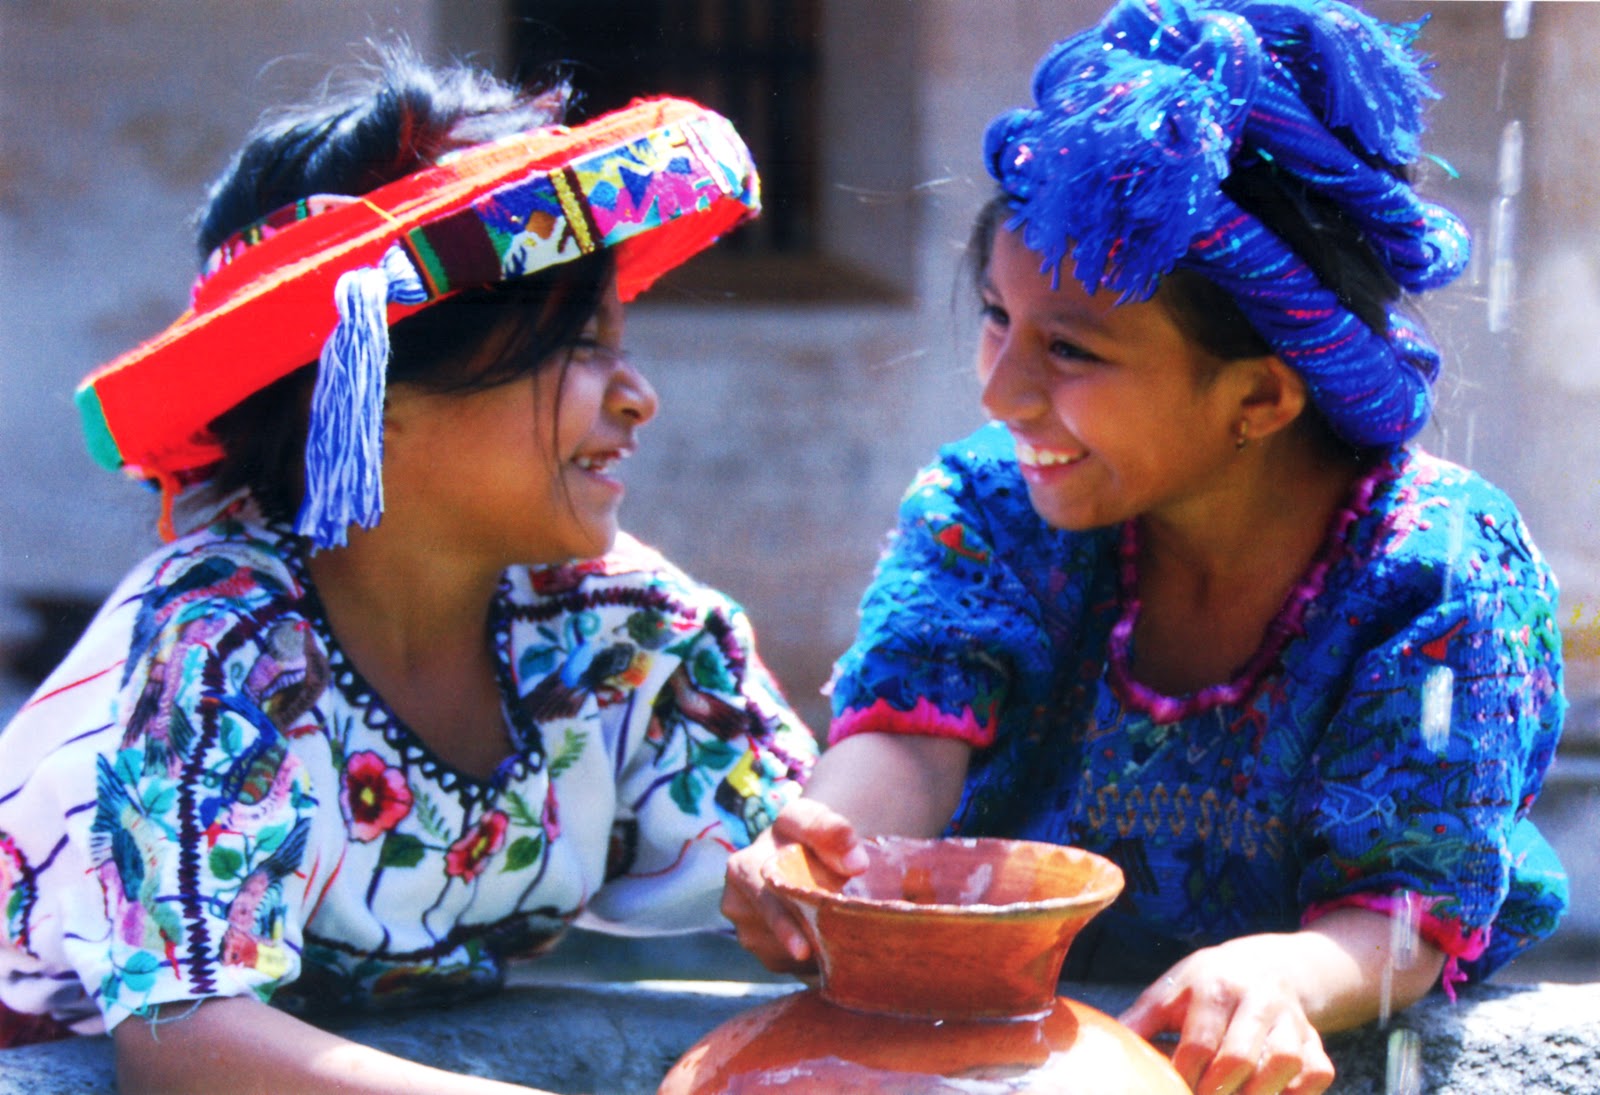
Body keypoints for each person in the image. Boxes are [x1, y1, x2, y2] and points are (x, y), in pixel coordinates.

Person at [723, 1, 1567, 1093]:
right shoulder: (990, 504)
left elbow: (1409, 904)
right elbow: (911, 740)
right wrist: (827, 852)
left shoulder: (1439, 572)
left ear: (1259, 394)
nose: (998, 389)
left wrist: (1288, 976)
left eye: (1069, 349)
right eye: (993, 317)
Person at [0, 47, 815, 1093]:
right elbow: (187, 1046)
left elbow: (804, 863)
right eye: (579, 345)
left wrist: (806, 874)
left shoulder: (621, 633)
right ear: (371, 393)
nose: (636, 394)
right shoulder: (221, 651)